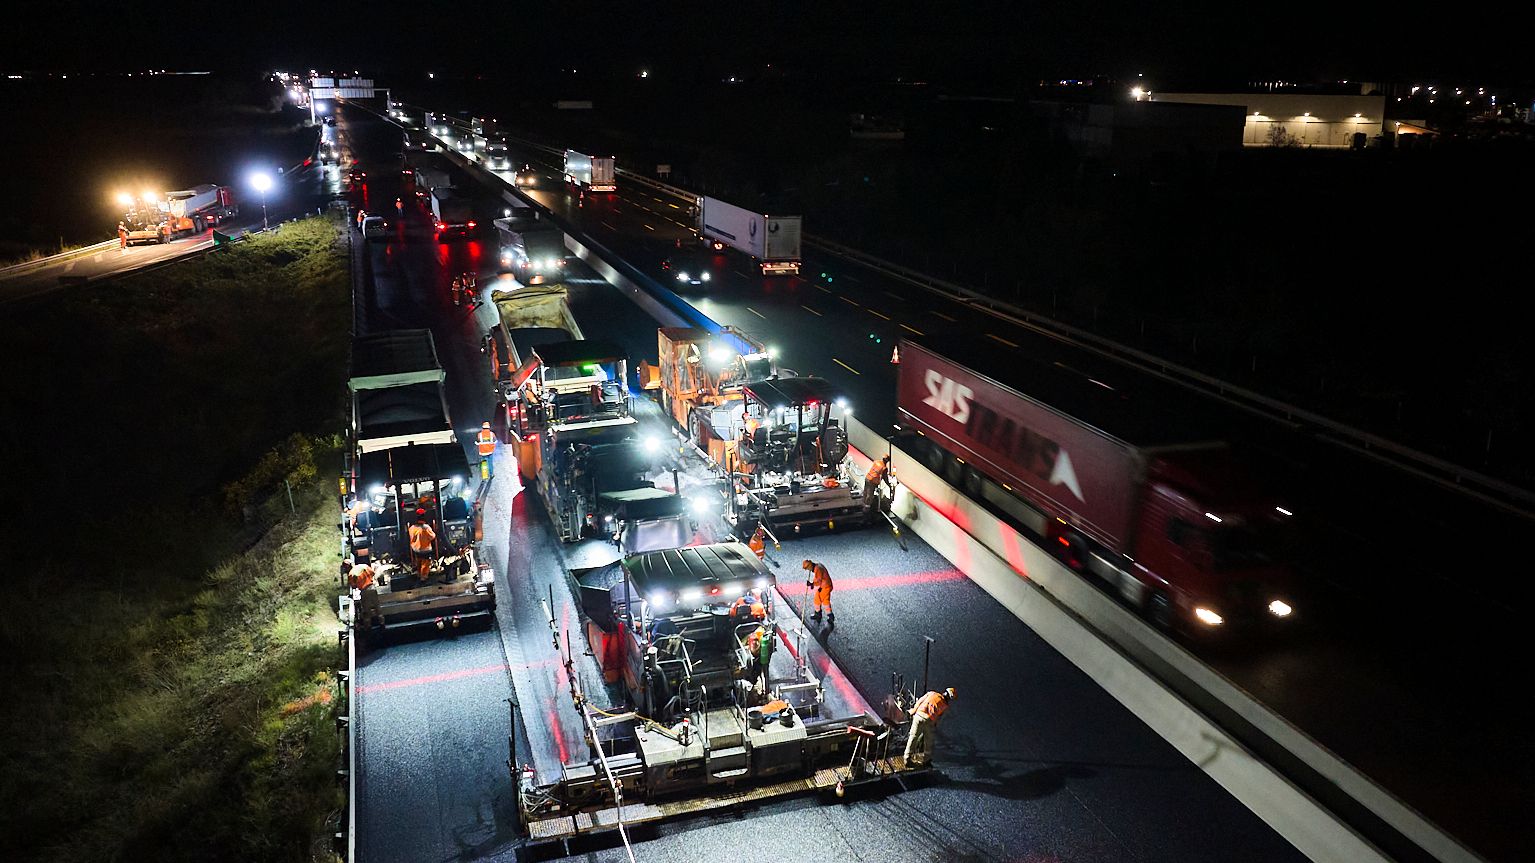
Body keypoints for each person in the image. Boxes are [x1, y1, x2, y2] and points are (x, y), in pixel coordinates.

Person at [904, 687, 956, 767]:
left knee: (913, 737)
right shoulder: (945, 705)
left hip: (918, 715)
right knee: (928, 741)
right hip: (929, 720)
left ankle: (907, 758)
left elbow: (919, 702)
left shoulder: (931, 693)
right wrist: (934, 725)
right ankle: (926, 760)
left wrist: (913, 711)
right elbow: (939, 718)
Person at [408, 513, 437, 578]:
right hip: (425, 549)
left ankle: (418, 574)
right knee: (425, 563)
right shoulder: (426, 527)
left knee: (418, 561)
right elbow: (432, 536)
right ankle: (424, 577)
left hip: (415, 549)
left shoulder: (411, 528)